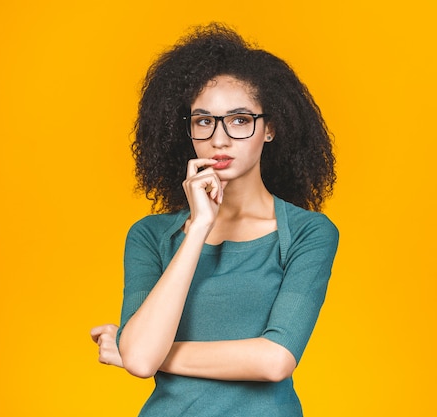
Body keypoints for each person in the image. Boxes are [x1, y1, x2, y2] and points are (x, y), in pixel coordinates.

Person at [90, 22, 338, 416]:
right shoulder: (150, 236)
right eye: (203, 120)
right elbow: (139, 361)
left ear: (270, 128)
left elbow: (275, 361)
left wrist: (146, 352)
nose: (219, 138)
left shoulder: (308, 233)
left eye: (240, 120)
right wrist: (198, 228)